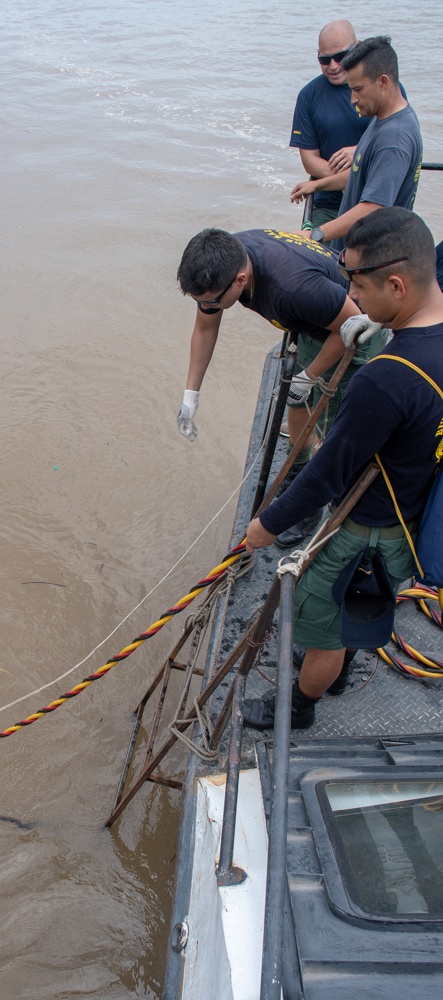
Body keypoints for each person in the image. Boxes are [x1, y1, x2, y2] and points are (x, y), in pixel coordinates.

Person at [242, 207, 443, 730]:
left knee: (322, 622)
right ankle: (341, 656)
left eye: (356, 283)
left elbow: (327, 473)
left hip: (367, 527)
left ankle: (300, 707)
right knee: (358, 606)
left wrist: (268, 525)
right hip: (414, 511)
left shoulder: (386, 378)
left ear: (396, 285)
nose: (350, 296)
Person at [176, 227, 386, 546]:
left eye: (213, 302)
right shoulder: (227, 260)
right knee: (297, 403)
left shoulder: (292, 288)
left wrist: (311, 376)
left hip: (354, 330)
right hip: (318, 322)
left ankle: (312, 505)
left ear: (241, 281)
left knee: (334, 428)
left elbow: (352, 325)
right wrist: (191, 395)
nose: (209, 307)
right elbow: (205, 328)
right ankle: (298, 469)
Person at [290, 37, 422, 251]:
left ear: (383, 82)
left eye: (358, 89)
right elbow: (363, 174)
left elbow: (373, 207)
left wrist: (315, 234)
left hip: (371, 258)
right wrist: (317, 184)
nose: (353, 99)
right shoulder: (382, 118)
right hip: (352, 248)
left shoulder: (393, 140)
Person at [290, 20, 366, 229]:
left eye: (340, 57)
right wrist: (349, 179)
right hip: (328, 204)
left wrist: (360, 153)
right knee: (315, 256)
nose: (333, 65)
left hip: (374, 197)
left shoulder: (381, 87)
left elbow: (395, 138)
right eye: (324, 59)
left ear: (357, 47)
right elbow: (309, 160)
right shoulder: (308, 96)